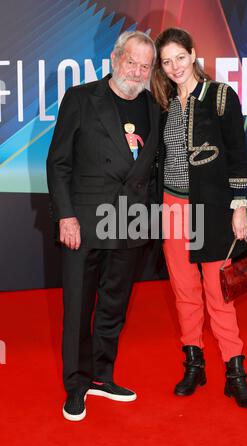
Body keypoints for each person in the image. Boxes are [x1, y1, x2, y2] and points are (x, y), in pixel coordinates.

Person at [47, 31, 160, 421]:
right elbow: (59, 162)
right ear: (114, 59)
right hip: (84, 222)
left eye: (146, 66)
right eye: (132, 62)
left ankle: (102, 376)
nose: (138, 71)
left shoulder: (154, 105)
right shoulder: (81, 98)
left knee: (114, 306)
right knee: (78, 307)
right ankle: (76, 385)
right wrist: (65, 214)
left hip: (132, 223)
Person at [151, 28, 247, 408]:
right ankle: (194, 364)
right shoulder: (163, 103)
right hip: (172, 208)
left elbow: (238, 152)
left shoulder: (219, 96)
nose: (174, 67)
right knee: (184, 292)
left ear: (193, 54)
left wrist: (240, 205)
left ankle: (235, 372)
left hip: (212, 208)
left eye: (180, 57)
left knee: (219, 293)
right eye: (166, 62)